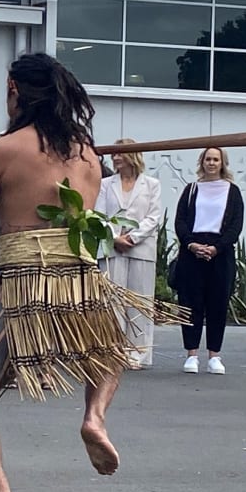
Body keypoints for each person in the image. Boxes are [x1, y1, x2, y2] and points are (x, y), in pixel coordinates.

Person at [0, 53, 184, 492]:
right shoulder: (88, 154)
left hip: (27, 284)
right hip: (81, 278)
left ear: (14, 89)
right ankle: (94, 416)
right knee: (106, 352)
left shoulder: (5, 147)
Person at [174, 147, 243, 376]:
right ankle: (191, 355)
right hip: (192, 250)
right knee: (190, 304)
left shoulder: (232, 191)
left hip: (220, 253)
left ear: (223, 163)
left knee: (217, 304)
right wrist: (191, 245)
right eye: (208, 159)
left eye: (216, 159)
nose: (211, 163)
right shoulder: (191, 189)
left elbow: (235, 226)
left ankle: (215, 355)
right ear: (201, 162)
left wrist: (216, 248)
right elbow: (181, 221)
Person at [95, 139, 162, 368]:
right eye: (113, 155)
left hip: (141, 249)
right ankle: (112, 351)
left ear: (132, 156)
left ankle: (138, 354)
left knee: (140, 301)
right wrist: (114, 237)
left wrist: (133, 238)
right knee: (111, 301)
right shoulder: (105, 184)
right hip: (111, 248)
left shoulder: (151, 184)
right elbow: (98, 214)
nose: (115, 158)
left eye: (119, 154)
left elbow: (153, 217)